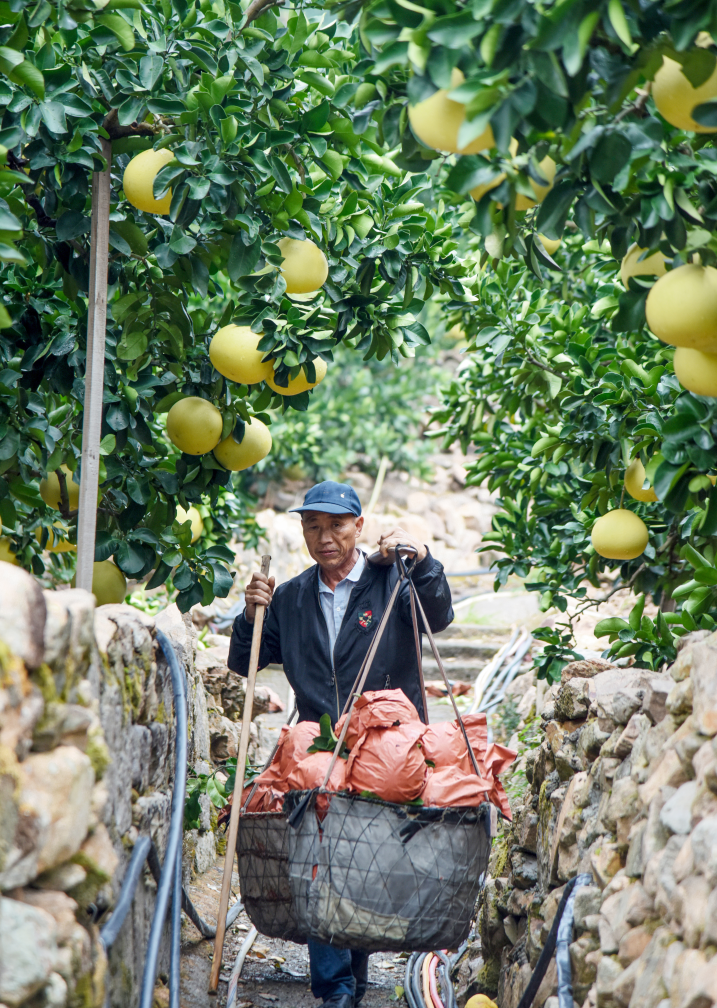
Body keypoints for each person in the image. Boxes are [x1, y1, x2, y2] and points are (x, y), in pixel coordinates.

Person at [228, 480, 454, 1008]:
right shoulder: (291, 597)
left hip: (388, 747)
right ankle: (335, 990)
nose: (324, 536)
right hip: (320, 747)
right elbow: (247, 661)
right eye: (313, 526)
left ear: (358, 525)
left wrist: (422, 560)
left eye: (335, 525)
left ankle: (352, 970)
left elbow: (439, 616)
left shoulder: (392, 579)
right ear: (303, 530)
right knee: (318, 857)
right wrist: (248, 615)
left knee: (368, 861)